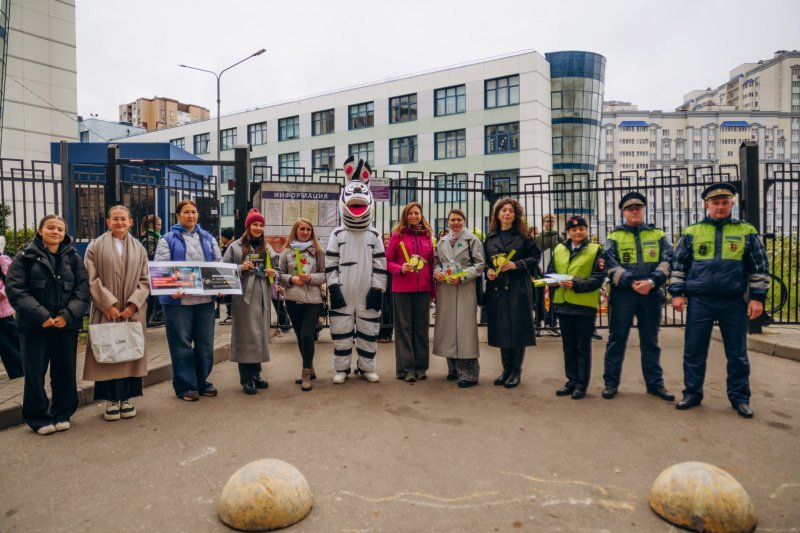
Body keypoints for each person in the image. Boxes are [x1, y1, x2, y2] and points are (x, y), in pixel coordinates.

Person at [669, 183, 769, 418]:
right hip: (700, 301)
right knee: (694, 351)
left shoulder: (746, 231)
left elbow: (759, 267)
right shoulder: (692, 231)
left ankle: (740, 398)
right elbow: (679, 265)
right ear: (707, 205)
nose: (720, 206)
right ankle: (692, 393)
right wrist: (676, 293)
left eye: (725, 202)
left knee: (737, 354)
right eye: (715, 203)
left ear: (732, 204)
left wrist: (757, 298)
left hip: (733, 301)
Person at [5, 215, 89, 434]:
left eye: (60, 229)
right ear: (40, 230)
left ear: (65, 233)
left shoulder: (72, 257)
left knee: (65, 371)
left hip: (65, 326)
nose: (56, 232)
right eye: (50, 227)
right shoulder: (24, 257)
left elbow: (82, 289)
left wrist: (68, 315)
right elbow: (16, 290)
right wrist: (41, 315)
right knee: (34, 373)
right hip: (35, 327)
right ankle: (38, 417)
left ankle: (63, 413)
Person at [600, 192, 675, 401]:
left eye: (638, 208)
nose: (634, 212)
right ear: (623, 212)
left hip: (651, 293)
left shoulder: (658, 234)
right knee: (617, 339)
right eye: (630, 209)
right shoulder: (614, 236)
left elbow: (668, 259)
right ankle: (611, 383)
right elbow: (608, 263)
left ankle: (655, 385)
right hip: (624, 294)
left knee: (650, 341)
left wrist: (652, 281)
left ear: (643, 210)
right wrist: (631, 282)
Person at [83, 206, 151, 421]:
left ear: (130, 222)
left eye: (123, 219)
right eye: (115, 219)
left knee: (129, 351)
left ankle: (127, 399)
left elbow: (145, 279)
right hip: (107, 310)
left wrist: (133, 304)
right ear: (108, 222)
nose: (120, 222)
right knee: (108, 352)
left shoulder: (139, 248)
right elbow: (90, 278)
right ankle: (111, 401)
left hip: (131, 310)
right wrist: (107, 304)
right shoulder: (95, 247)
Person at [326, 156, 387, 384]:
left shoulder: (374, 234)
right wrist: (333, 288)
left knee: (368, 330)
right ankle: (342, 369)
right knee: (340, 331)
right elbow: (330, 264)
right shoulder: (337, 234)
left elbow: (381, 265)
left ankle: (366, 367)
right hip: (343, 291)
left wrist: (377, 290)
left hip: (367, 290)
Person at [155, 199, 222, 401]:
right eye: (186, 212)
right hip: (178, 302)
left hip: (204, 302)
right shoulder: (167, 239)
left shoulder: (208, 238)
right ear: (178, 215)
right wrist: (172, 288)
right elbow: (161, 267)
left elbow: (218, 264)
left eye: (193, 212)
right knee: (181, 345)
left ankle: (202, 382)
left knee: (205, 345)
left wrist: (221, 286)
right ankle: (186, 386)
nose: (190, 215)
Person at [484, 198, 540, 389]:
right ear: (497, 214)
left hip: (518, 287)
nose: (507, 213)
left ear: (516, 215)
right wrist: (488, 271)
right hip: (498, 288)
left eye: (510, 211)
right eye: (503, 210)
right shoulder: (490, 237)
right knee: (502, 328)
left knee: (517, 328)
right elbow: (486, 261)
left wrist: (517, 264)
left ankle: (516, 371)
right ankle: (505, 369)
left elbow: (535, 258)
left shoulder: (524, 237)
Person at [547, 216, 605, 399]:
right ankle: (570, 381)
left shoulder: (596, 250)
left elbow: (598, 278)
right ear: (568, 232)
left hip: (583, 305)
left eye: (581, 228)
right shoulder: (559, 249)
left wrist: (576, 283)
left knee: (582, 347)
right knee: (568, 346)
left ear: (587, 230)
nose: (577, 232)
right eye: (573, 230)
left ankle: (581, 384)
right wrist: (554, 280)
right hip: (563, 304)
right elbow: (550, 272)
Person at [222, 209, 275, 395]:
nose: (258, 228)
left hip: (262, 296)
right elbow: (223, 270)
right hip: (244, 297)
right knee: (246, 336)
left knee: (259, 335)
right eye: (255, 224)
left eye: (261, 225)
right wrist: (240, 267)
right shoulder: (235, 247)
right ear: (248, 226)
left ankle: (257, 374)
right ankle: (246, 379)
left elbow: (275, 268)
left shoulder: (267, 248)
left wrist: (272, 272)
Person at [433, 209, 485, 387]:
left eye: (459, 219)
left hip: (465, 288)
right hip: (447, 289)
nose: (456, 223)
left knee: (465, 329)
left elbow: (480, 265)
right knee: (448, 328)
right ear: (448, 222)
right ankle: (453, 369)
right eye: (452, 220)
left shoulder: (472, 240)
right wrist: (437, 273)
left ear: (464, 221)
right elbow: (436, 263)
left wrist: (462, 276)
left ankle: (469, 374)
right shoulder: (442, 242)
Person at [386, 201, 435, 382]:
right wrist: (400, 268)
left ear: (421, 215)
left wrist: (432, 291)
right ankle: (406, 369)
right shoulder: (397, 236)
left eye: (417, 213)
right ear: (405, 216)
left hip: (422, 289)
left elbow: (431, 265)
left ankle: (421, 367)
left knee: (421, 329)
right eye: (411, 213)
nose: (414, 216)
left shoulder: (427, 237)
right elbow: (387, 261)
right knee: (404, 329)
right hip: (402, 289)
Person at [278, 218, 326, 391]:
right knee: (299, 335)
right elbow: (279, 273)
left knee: (307, 334)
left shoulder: (318, 252)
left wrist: (311, 278)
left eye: (308, 229)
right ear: (296, 231)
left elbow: (325, 274)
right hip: (293, 298)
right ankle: (310, 367)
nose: (305, 232)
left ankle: (305, 373)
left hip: (313, 299)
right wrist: (291, 278)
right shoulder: (286, 253)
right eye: (302, 229)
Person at [534, 214, 563, 337]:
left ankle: (552, 324)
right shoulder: (539, 237)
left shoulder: (559, 237)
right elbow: (536, 253)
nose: (549, 223)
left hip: (554, 271)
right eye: (547, 221)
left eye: (552, 221)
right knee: (538, 298)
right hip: (540, 270)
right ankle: (537, 324)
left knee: (553, 298)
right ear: (543, 223)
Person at [0, 235, 24, 379]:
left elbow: (12, 280)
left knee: (10, 342)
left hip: (2, 311)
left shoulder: (2, 260)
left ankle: (19, 370)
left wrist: (2, 294)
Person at [140, 215, 163, 327]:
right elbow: (151, 254)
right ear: (151, 225)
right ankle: (153, 318)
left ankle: (153, 318)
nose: (160, 227)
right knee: (154, 296)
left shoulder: (156, 236)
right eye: (158, 224)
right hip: (152, 269)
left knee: (154, 296)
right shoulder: (149, 238)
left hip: (155, 269)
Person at [378, 232, 394, 343]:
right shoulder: (378, 250)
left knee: (391, 309)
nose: (387, 241)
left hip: (392, 281)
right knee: (383, 308)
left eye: (389, 239)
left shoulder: (394, 250)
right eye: (385, 239)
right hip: (381, 280)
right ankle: (380, 332)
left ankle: (388, 332)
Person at [218, 227, 235, 325]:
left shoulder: (230, 247)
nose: (221, 239)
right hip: (228, 274)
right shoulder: (228, 246)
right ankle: (230, 314)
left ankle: (230, 315)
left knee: (229, 295)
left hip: (229, 274)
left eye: (222, 237)